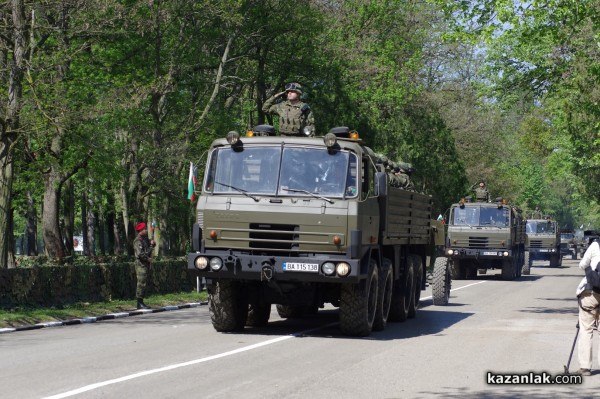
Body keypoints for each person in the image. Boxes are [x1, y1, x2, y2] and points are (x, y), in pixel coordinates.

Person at [575, 238, 600, 376]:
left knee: (586, 329)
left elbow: (582, 264)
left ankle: (585, 367)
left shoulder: (595, 245)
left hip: (591, 293)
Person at [133, 222, 155, 310]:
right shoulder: (137, 241)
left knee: (144, 283)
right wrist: (147, 259)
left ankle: (142, 301)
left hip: (145, 264)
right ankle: (139, 303)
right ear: (140, 231)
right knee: (141, 283)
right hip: (141, 265)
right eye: (144, 229)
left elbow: (150, 247)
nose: (146, 230)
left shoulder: (144, 239)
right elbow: (140, 254)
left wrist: (152, 244)